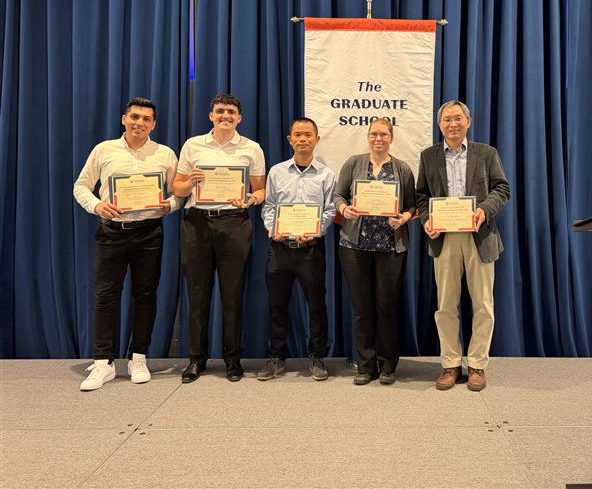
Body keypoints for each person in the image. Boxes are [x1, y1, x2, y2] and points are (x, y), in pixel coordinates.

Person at [73, 97, 180, 391]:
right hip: (112, 232)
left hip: (149, 233)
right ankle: (103, 362)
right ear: (124, 119)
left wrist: (170, 205)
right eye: (134, 117)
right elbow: (81, 186)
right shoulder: (104, 150)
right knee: (106, 296)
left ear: (153, 124)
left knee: (145, 296)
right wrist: (97, 206)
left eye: (146, 119)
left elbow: (179, 192)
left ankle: (138, 357)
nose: (139, 123)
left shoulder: (165, 154)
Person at [416, 100, 510, 391]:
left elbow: (502, 188)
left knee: (483, 305)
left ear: (468, 122)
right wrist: (426, 221)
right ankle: (451, 364)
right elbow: (421, 197)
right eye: (447, 119)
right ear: (439, 124)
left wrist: (484, 209)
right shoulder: (428, 156)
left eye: (458, 118)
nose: (453, 124)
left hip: (479, 236)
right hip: (444, 238)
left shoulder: (486, 153)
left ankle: (477, 364)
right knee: (445, 305)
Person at [172, 94, 266, 383]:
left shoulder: (251, 148)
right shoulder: (193, 145)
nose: (226, 115)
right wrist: (190, 182)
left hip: (235, 222)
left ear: (239, 118)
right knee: (197, 293)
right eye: (220, 111)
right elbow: (177, 188)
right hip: (197, 223)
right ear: (211, 116)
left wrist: (251, 199)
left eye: (231, 112)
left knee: (232, 293)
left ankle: (232, 360)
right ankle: (196, 360)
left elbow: (261, 191)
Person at [333, 119, 416, 385]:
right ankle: (365, 366)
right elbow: (338, 195)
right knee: (362, 308)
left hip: (390, 247)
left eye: (383, 134)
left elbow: (412, 206)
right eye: (373, 134)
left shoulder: (402, 168)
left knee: (387, 307)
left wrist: (404, 218)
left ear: (391, 138)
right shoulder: (353, 163)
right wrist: (344, 209)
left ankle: (388, 365)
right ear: (368, 137)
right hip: (354, 247)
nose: (378, 139)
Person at [259, 117, 336, 382]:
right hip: (280, 248)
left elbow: (329, 210)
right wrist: (273, 228)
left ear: (316, 139)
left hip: (311, 250)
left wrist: (314, 230)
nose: (303, 139)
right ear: (289, 139)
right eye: (298, 135)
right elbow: (269, 206)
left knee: (316, 305)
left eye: (308, 135)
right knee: (277, 305)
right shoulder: (276, 172)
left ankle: (317, 356)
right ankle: (276, 357)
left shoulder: (327, 175)